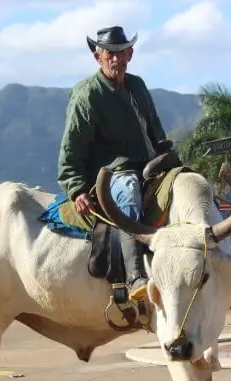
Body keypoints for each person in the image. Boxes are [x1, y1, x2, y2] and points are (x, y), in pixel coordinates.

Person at [57, 26, 169, 302]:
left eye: (122, 52)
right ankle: (134, 277)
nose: (116, 59)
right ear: (98, 57)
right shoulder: (87, 95)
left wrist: (168, 158)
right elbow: (72, 148)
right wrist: (76, 188)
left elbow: (156, 129)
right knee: (129, 192)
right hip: (115, 173)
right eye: (110, 53)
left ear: (130, 53)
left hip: (152, 165)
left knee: (187, 185)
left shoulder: (138, 86)